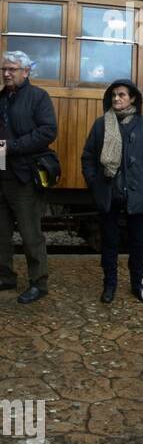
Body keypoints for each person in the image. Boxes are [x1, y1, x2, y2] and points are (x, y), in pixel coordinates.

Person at [80, 79, 143, 303]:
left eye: (122, 94)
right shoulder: (100, 124)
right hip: (109, 194)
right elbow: (87, 157)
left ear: (133, 98)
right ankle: (109, 286)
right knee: (109, 243)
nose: (116, 98)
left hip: (137, 195)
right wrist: (94, 183)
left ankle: (138, 285)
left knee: (138, 244)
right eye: (114, 95)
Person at [0, 50, 53, 303]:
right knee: (1, 233)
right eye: (3, 69)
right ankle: (5, 276)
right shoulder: (1, 98)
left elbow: (47, 131)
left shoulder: (38, 97)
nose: (6, 73)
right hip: (1, 174)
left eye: (12, 69)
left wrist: (12, 147)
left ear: (26, 71)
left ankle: (38, 283)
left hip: (24, 177)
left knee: (31, 234)